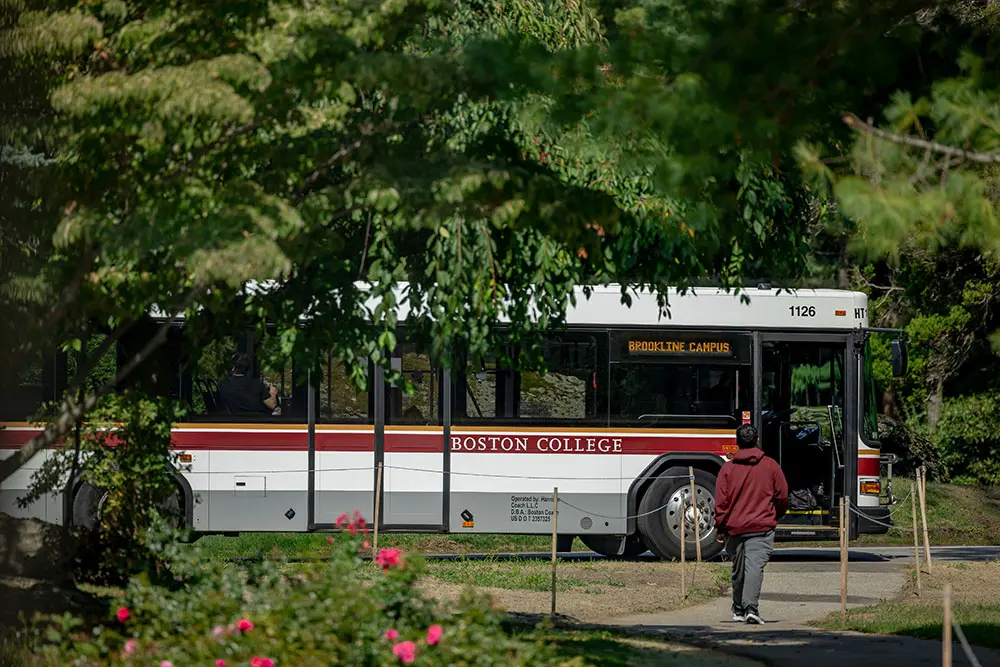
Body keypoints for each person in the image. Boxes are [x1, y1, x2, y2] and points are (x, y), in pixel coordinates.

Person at [713, 423, 788, 624]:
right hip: (762, 527)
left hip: (734, 528)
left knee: (738, 569)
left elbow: (721, 501)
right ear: (757, 440)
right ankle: (750, 608)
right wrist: (776, 516)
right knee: (754, 567)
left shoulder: (727, 469)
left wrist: (720, 527)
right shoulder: (771, 466)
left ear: (737, 443)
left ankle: (738, 608)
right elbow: (782, 496)